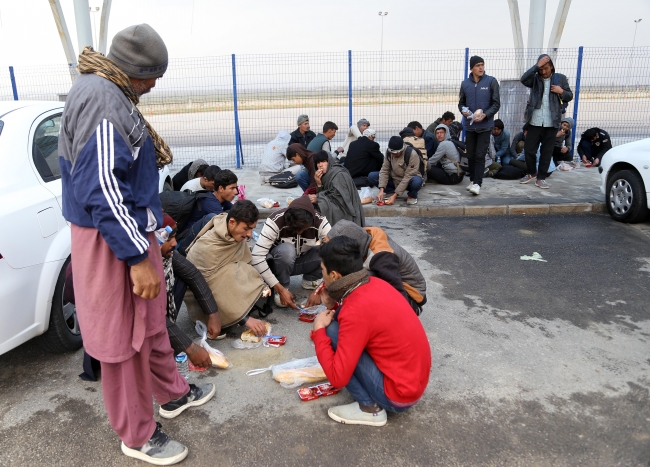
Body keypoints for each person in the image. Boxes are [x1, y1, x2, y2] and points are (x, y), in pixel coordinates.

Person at [58, 24, 213, 464]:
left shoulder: (108, 90)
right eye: (152, 76)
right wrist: (134, 256)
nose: (154, 85)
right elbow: (103, 187)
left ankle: (171, 394)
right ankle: (137, 434)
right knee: (122, 340)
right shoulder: (103, 101)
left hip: (131, 231)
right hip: (113, 239)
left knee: (148, 324)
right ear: (134, 71)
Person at [311, 236, 431, 427]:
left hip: (398, 396)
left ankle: (368, 408)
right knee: (337, 322)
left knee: (330, 330)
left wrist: (318, 331)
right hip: (413, 381)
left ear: (334, 276)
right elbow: (359, 317)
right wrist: (333, 304)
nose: (322, 276)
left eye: (323, 271)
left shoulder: (355, 310)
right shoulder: (375, 283)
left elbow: (337, 378)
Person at [184, 200, 270, 337]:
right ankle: (221, 319)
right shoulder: (207, 246)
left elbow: (245, 261)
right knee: (230, 272)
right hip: (202, 299)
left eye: (252, 229)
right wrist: (245, 320)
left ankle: (238, 310)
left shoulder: (234, 236)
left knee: (244, 269)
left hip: (222, 283)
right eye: (246, 228)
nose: (249, 234)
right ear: (231, 222)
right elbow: (205, 287)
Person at [157, 215, 221, 365]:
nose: (175, 243)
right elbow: (150, 314)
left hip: (153, 316)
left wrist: (213, 313)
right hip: (118, 339)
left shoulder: (165, 254)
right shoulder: (138, 267)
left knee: (181, 277)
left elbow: (192, 274)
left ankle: (166, 335)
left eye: (174, 237)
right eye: (168, 239)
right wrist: (190, 348)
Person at [326, 220, 427, 315]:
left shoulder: (382, 257)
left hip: (411, 298)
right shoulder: (362, 237)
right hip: (397, 289)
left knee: (358, 281)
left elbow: (399, 295)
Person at [251, 196, 330, 309]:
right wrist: (280, 289)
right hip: (277, 265)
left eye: (303, 229)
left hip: (301, 261)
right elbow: (256, 257)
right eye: (295, 228)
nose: (298, 232)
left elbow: (336, 250)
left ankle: (310, 280)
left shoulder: (319, 221)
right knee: (287, 250)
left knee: (326, 250)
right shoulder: (275, 220)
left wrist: (320, 288)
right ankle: (282, 286)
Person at [520, 53, 573, 189]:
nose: (543, 72)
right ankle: (531, 172)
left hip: (552, 121)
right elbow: (523, 79)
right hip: (535, 121)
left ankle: (541, 178)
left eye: (546, 68)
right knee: (529, 150)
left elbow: (569, 95)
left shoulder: (560, 78)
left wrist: (561, 91)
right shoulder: (535, 78)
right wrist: (536, 66)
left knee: (546, 152)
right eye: (541, 69)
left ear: (551, 67)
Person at [458, 56, 501, 196]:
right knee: (470, 154)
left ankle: (477, 183)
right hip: (470, 126)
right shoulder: (465, 84)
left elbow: (496, 104)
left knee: (480, 154)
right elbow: (461, 103)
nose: (481, 68)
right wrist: (464, 111)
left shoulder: (491, 82)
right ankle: (472, 180)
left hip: (485, 126)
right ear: (471, 68)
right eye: (477, 65)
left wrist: (486, 115)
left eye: (482, 65)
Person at [177, 168, 238, 254]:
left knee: (230, 214)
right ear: (221, 189)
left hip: (197, 241)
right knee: (221, 219)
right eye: (232, 188)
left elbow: (236, 211)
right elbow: (227, 224)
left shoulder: (222, 200)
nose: (236, 192)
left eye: (236, 188)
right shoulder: (210, 202)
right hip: (185, 244)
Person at [311, 150, 366, 227]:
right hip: (336, 205)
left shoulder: (339, 174)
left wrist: (319, 198)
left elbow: (340, 198)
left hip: (345, 210)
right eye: (318, 163)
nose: (320, 165)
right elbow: (327, 194)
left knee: (321, 205)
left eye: (323, 161)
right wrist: (319, 184)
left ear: (329, 161)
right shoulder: (325, 176)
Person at [368, 136, 424, 206]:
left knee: (417, 181)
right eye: (392, 153)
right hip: (395, 179)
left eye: (396, 153)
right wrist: (381, 190)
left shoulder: (412, 154)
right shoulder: (389, 153)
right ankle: (391, 191)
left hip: (409, 180)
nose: (393, 155)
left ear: (402, 150)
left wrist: (395, 195)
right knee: (372, 176)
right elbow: (384, 170)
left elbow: (408, 176)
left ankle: (412, 195)